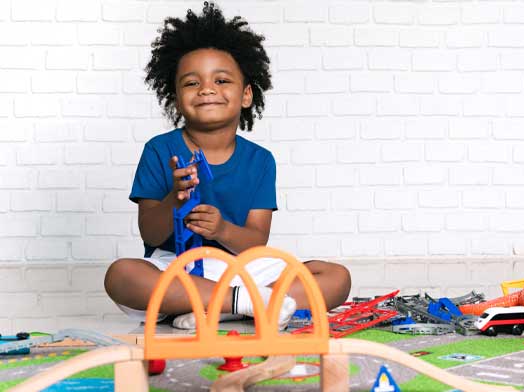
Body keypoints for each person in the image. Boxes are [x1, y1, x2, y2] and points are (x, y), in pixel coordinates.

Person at [104, 2, 351, 330]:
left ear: (246, 95)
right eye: (192, 83)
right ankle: (244, 303)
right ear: (176, 98)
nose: (207, 89)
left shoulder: (260, 160)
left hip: (241, 266)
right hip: (177, 271)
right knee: (121, 275)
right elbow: (149, 232)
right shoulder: (159, 150)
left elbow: (254, 243)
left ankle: (217, 306)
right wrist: (173, 202)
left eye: (222, 80)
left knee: (336, 278)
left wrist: (222, 230)